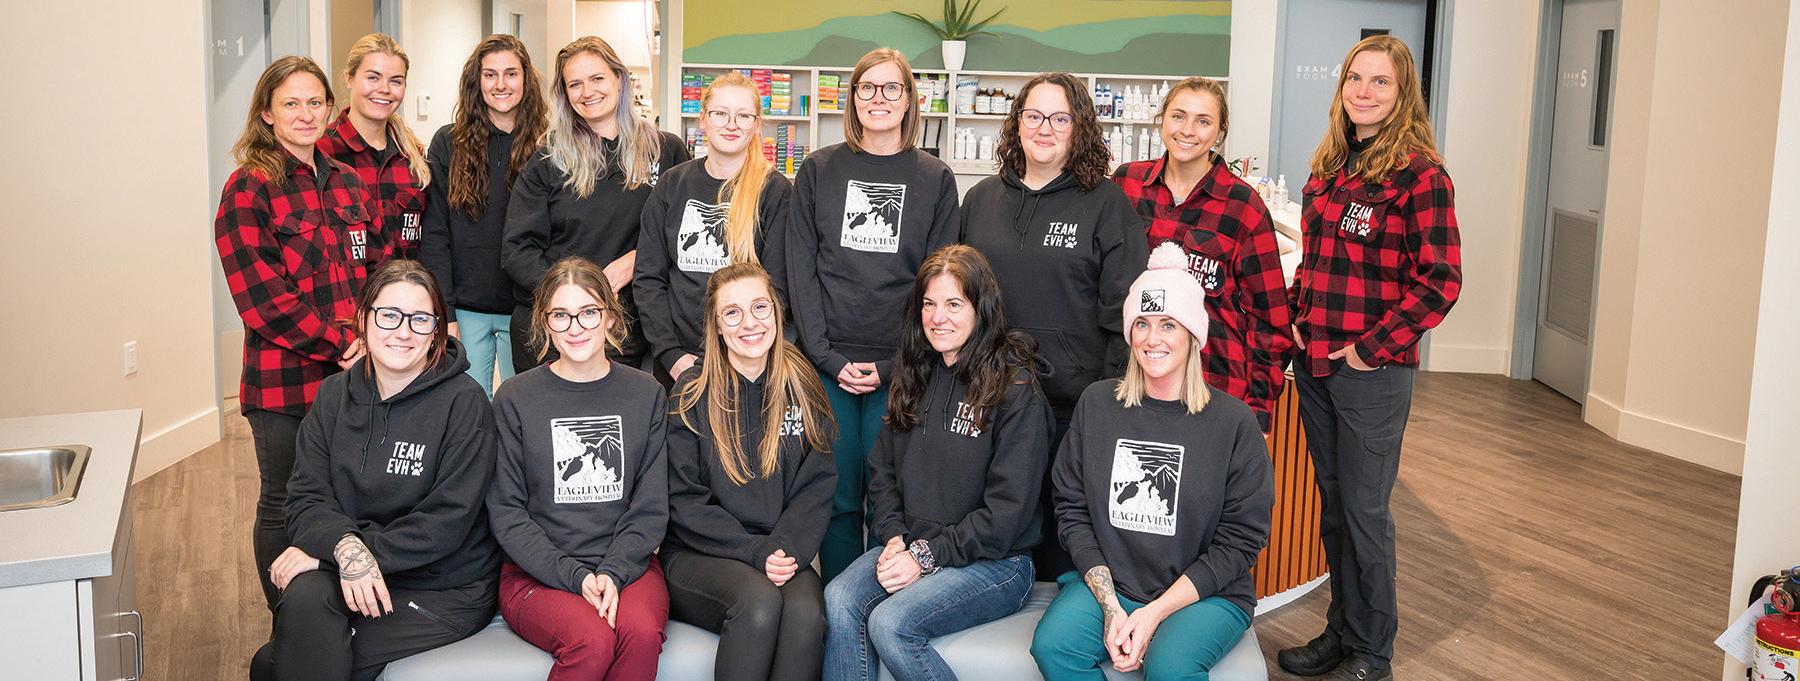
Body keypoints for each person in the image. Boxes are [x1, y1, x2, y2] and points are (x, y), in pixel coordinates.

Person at [1277, 35, 1462, 681]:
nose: (1364, 91)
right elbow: (1318, 261)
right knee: (1334, 508)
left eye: (1380, 81)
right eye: (1355, 78)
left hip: (1371, 374)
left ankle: (1373, 652)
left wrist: (1368, 350)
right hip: (1316, 364)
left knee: (1365, 512)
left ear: (1402, 92)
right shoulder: (1330, 167)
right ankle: (1342, 630)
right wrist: (1296, 312)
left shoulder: (1421, 175)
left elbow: (1441, 281)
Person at [1029, 243, 1273, 681]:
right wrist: (1111, 606)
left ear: (1193, 335)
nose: (1152, 338)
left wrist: (1154, 612)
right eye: (1141, 323)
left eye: (1168, 324)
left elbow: (1242, 539)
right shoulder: (1097, 404)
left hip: (1204, 595)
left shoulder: (1235, 422)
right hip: (1114, 584)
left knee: (1170, 668)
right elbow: (1071, 508)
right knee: (1053, 646)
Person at [252, 259, 502, 681]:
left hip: (440, 587)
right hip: (356, 566)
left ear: (437, 331)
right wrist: (344, 551)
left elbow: (446, 523)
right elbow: (306, 497)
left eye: (420, 319)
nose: (403, 332)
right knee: (298, 611)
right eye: (389, 315)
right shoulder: (333, 395)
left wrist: (337, 556)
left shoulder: (465, 403)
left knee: (275, 665)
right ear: (363, 320)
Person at [822, 245, 1053, 681]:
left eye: (953, 304)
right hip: (915, 545)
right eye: (929, 304)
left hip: (997, 564)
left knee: (891, 623)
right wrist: (893, 536)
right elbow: (883, 470)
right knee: (838, 597)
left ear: (981, 308)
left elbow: (1007, 514)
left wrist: (926, 557)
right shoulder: (916, 372)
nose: (938, 317)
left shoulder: (1015, 388)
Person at [958, 71, 1146, 579]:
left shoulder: (1106, 204)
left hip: (1070, 408)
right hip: (989, 402)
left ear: (1079, 127)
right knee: (995, 536)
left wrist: (1104, 403)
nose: (1045, 128)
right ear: (1016, 123)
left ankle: (1062, 623)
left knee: (1064, 543)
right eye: (1034, 115)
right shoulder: (980, 200)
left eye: (1060, 118)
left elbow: (1126, 317)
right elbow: (956, 301)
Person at [786, 48, 961, 579]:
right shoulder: (819, 169)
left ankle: (881, 602)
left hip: (905, 366)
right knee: (837, 499)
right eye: (867, 87)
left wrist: (894, 364)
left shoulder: (935, 177)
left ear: (909, 100)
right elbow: (801, 270)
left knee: (892, 503)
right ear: (853, 98)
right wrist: (825, 356)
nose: (878, 98)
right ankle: (841, 606)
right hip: (826, 365)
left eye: (891, 88)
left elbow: (938, 282)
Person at [213, 55, 372, 612]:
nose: (305, 114)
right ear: (267, 114)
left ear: (330, 108)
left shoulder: (347, 182)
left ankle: (333, 611)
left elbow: (372, 270)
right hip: (284, 384)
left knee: (345, 496)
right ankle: (289, 623)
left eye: (315, 102)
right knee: (283, 500)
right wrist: (341, 343)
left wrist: (373, 337)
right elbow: (262, 299)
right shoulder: (248, 188)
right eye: (291, 103)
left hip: (354, 379)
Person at [488, 256, 671, 681]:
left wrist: (612, 572)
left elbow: (650, 508)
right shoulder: (515, 397)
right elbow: (507, 512)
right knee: (592, 640)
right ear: (545, 323)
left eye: (588, 312)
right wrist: (576, 577)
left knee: (641, 634)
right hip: (536, 572)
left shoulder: (646, 394)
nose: (576, 327)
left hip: (628, 566)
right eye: (561, 315)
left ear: (610, 317)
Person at [663, 263, 837, 681]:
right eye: (733, 313)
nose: (750, 323)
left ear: (776, 312)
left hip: (780, 548)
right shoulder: (691, 393)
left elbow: (817, 485)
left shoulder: (801, 383)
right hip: (700, 553)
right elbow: (684, 502)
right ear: (716, 326)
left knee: (805, 615)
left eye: (760, 307)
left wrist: (782, 548)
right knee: (759, 603)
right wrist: (754, 552)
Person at [1111, 76, 1295, 432]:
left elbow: (1270, 321)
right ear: (1162, 119)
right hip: (1132, 384)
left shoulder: (1243, 206)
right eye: (1178, 116)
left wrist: (1258, 410)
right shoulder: (1126, 184)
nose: (1188, 130)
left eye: (1203, 121)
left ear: (1220, 132)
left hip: (1214, 387)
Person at [503, 36, 690, 375]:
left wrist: (636, 260)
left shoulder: (665, 151)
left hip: (626, 330)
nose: (587, 92)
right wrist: (574, 295)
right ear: (565, 94)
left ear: (619, 78)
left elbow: (683, 236)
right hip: (554, 330)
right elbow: (517, 250)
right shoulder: (549, 159)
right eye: (575, 84)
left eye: (597, 78)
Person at [636, 70, 793, 383]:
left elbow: (779, 287)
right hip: (678, 361)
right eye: (720, 113)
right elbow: (649, 277)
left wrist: (748, 356)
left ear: (757, 125)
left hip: (748, 361)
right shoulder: (672, 184)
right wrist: (670, 354)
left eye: (743, 115)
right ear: (703, 120)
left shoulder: (775, 191)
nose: (731, 124)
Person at [420, 34, 550, 396]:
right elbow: (435, 232)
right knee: (468, 408)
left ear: (526, 78)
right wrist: (444, 311)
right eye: (490, 75)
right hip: (465, 310)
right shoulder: (448, 143)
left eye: (511, 73)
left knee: (521, 408)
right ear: (476, 82)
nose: (500, 84)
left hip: (527, 307)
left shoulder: (549, 144)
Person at [318, 33, 432, 267]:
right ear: (349, 78)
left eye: (396, 81)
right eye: (373, 77)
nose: (384, 89)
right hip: (352, 289)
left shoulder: (413, 155)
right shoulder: (322, 151)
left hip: (407, 287)